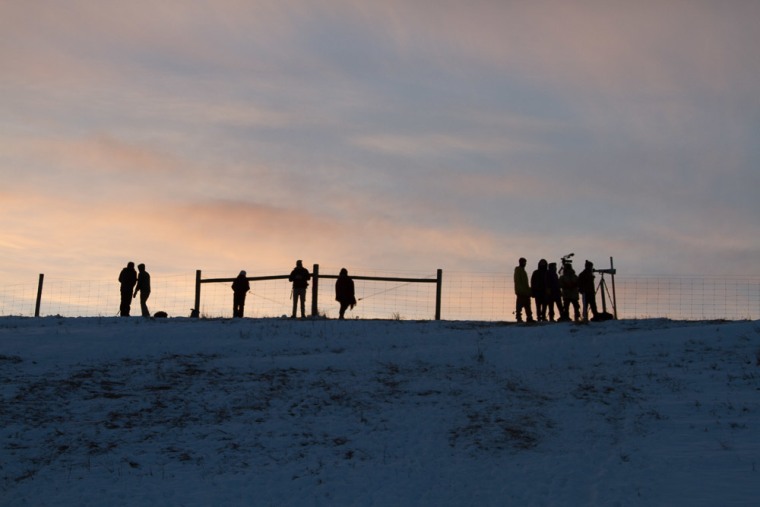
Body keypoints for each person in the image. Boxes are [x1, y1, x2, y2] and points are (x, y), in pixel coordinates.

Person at [513, 258, 534, 323]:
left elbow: (525, 283)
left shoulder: (523, 271)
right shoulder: (518, 270)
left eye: (525, 262)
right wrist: (521, 291)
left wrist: (529, 291)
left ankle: (529, 317)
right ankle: (519, 318)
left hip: (525, 291)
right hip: (521, 292)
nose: (524, 263)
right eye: (523, 262)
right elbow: (518, 282)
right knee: (519, 306)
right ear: (520, 262)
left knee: (527, 305)